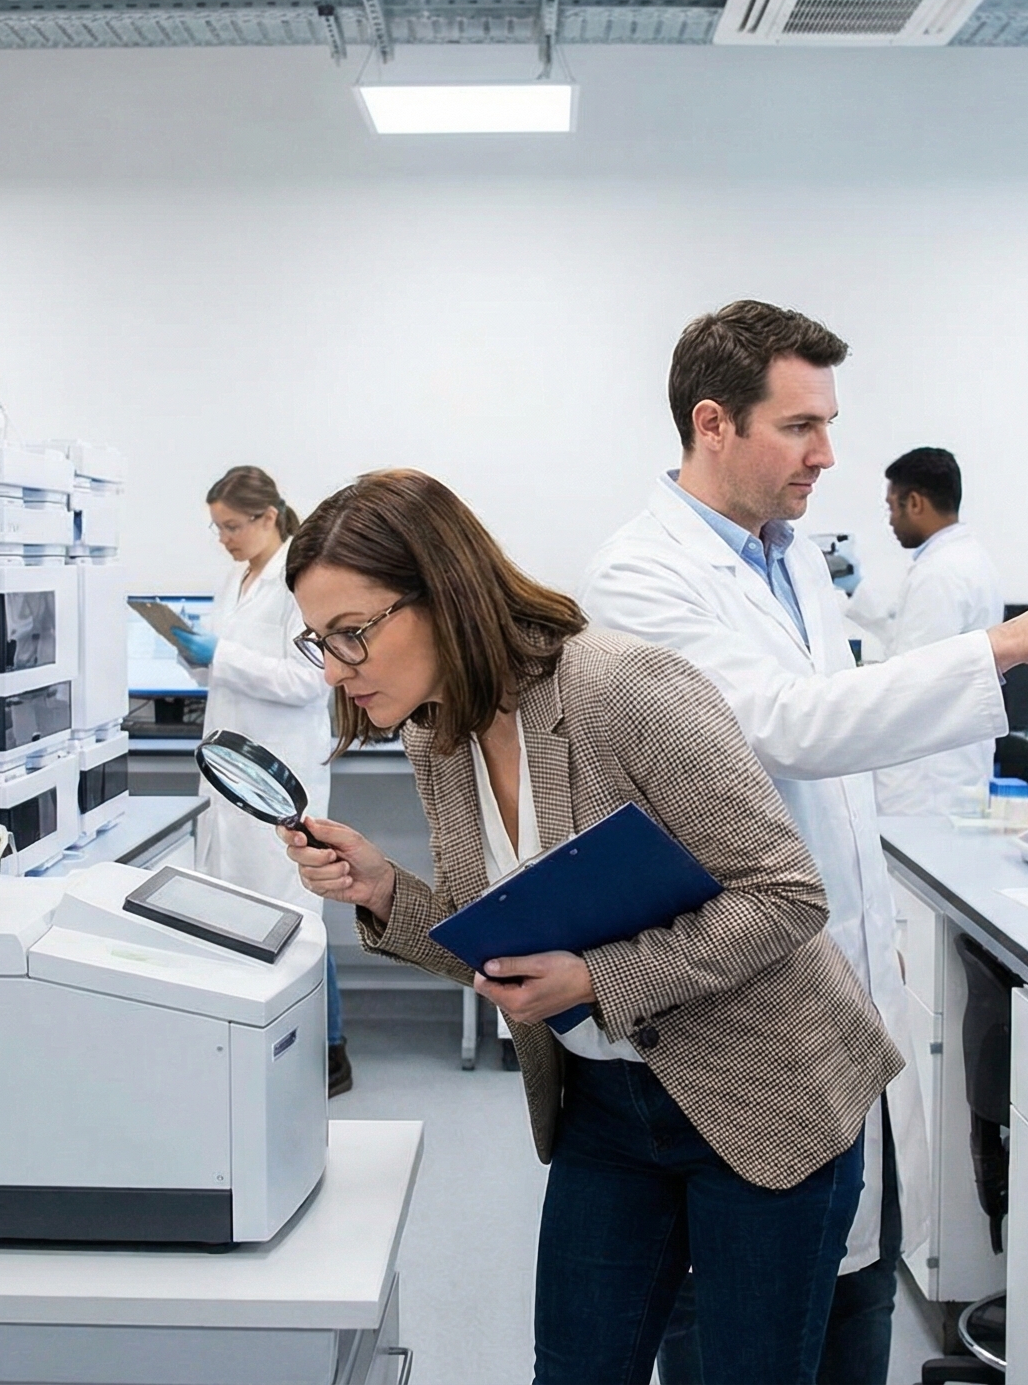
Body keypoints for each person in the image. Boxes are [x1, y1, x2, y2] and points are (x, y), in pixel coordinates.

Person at [581, 300, 1028, 1385]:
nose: (828, 454)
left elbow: (834, 736)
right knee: (744, 1342)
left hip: (841, 990)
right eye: (800, 426)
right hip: (742, 1026)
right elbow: (783, 725)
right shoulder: (639, 575)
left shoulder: (785, 557)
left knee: (852, 1317)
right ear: (714, 423)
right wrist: (1015, 641)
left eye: (827, 424)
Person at [276, 469, 897, 1384]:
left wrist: (598, 981)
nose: (333, 669)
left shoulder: (624, 689)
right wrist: (381, 890)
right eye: (318, 642)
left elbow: (785, 894)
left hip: (766, 1090)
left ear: (443, 596)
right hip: (606, 1111)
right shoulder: (436, 732)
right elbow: (508, 945)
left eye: (352, 634)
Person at [174, 465, 354, 1095]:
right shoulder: (239, 578)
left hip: (279, 768)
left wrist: (218, 655)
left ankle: (327, 1054)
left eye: (231, 525)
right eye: (216, 527)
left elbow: (308, 680)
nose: (223, 537)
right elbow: (230, 673)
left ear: (266, 517)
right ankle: (257, 1039)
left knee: (294, 910)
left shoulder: (294, 581)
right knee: (241, 905)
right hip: (232, 766)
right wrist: (195, 658)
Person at [854, 447, 1006, 812]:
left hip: (928, 781)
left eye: (893, 507)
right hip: (949, 767)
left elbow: (912, 676)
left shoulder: (939, 573)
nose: (891, 520)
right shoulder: (964, 560)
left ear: (916, 503)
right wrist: (853, 590)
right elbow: (917, 643)